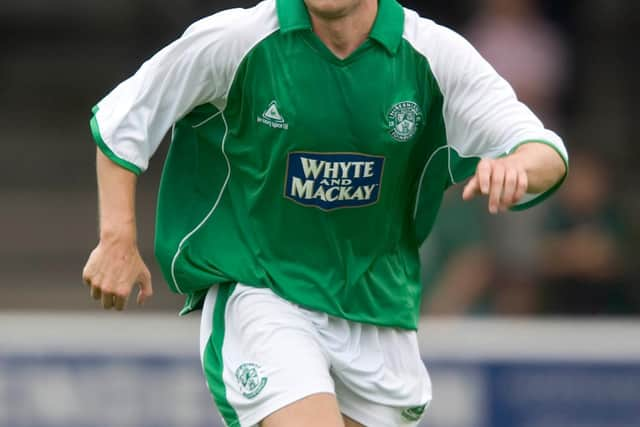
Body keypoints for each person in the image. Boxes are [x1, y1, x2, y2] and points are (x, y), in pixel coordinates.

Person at [81, 0, 568, 426]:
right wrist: (117, 238)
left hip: (378, 306)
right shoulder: (238, 38)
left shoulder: (434, 55)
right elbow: (127, 114)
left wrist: (517, 166)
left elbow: (544, 150)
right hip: (264, 290)